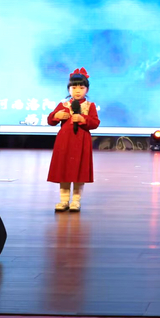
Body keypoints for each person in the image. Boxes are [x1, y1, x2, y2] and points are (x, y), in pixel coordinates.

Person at [47, 68, 100, 211]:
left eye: (81, 88)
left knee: (79, 171)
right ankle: (64, 201)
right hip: (64, 142)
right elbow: (50, 120)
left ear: (87, 89)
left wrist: (83, 119)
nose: (77, 91)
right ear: (69, 89)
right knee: (64, 170)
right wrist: (56, 116)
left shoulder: (90, 106)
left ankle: (76, 201)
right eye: (74, 87)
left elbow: (95, 123)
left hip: (81, 142)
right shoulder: (63, 105)